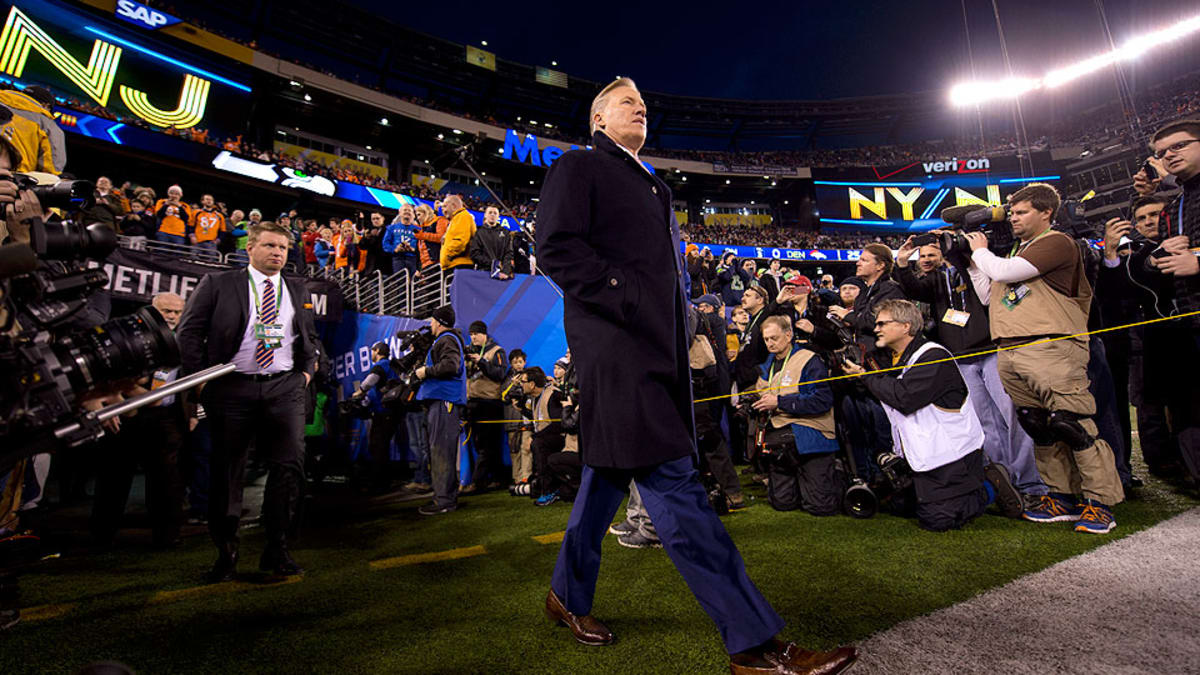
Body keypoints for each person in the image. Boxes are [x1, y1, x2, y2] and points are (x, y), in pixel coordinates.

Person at [534, 77, 855, 674]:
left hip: (654, 354)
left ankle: (565, 597)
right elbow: (554, 247)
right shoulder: (580, 167)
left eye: (645, 104)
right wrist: (626, 297)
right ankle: (752, 645)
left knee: (603, 482)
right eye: (628, 102)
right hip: (622, 355)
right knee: (677, 492)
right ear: (599, 117)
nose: (642, 109)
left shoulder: (648, 180)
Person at [965, 183, 1125, 533]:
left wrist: (980, 251)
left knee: (1074, 424)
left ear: (1046, 213)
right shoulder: (1017, 253)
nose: (1014, 219)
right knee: (1037, 425)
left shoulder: (1055, 243)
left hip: (1051, 346)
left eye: (1022, 212)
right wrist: (973, 263)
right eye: (1012, 213)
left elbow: (1004, 273)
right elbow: (990, 296)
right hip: (1011, 348)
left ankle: (1099, 502)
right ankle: (1062, 496)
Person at [175, 221, 318, 581]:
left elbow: (310, 338)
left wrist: (306, 373)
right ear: (249, 248)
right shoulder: (218, 284)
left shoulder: (298, 288)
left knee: (289, 468)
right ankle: (226, 552)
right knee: (228, 472)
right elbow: (189, 333)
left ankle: (278, 549)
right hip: (230, 388)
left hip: (284, 387)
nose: (278, 253)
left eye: (283, 248)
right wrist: (201, 384)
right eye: (270, 246)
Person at [842, 300, 1023, 530]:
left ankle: (990, 485)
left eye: (882, 324)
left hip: (952, 455)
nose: (876, 329)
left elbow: (904, 398)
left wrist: (865, 377)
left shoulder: (933, 356)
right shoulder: (898, 357)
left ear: (905, 326)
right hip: (924, 454)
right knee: (901, 507)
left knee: (937, 520)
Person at [894, 231, 1045, 501]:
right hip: (961, 358)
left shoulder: (975, 268)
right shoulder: (937, 280)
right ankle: (1005, 481)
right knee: (986, 423)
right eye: (924, 255)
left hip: (990, 351)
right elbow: (914, 289)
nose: (928, 258)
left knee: (1014, 417)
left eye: (934, 252)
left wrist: (962, 248)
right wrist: (903, 263)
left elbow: (985, 290)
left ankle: (1032, 483)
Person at [90, 293, 189, 549]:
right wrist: (130, 395)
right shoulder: (127, 335)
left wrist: (193, 413)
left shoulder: (186, 339)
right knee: (114, 478)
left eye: (177, 312)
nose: (171, 316)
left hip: (166, 419)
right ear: (151, 310)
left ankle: (166, 537)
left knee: (166, 480)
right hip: (124, 414)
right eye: (166, 311)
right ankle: (102, 536)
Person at [1143, 119, 1200, 482]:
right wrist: (1154, 258)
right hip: (1187, 323)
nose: (1168, 156)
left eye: (1178, 146)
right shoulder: (1176, 204)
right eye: (1162, 153)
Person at [749, 316, 841, 515]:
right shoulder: (769, 363)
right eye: (766, 339)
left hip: (812, 432)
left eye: (774, 338)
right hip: (781, 432)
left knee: (820, 507)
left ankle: (834, 474)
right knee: (782, 504)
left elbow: (823, 400)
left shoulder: (810, 359)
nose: (770, 343)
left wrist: (780, 402)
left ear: (788, 335)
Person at [412, 305, 467, 516]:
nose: (430, 324)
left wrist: (426, 371)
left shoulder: (446, 339)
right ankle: (444, 497)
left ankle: (444, 501)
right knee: (440, 450)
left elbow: (451, 366)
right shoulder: (447, 340)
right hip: (443, 401)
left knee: (441, 451)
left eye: (433, 320)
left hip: (445, 401)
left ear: (440, 322)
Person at [462, 320, 509, 492]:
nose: (473, 337)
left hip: (490, 403)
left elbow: (500, 374)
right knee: (479, 444)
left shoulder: (497, 351)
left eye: (476, 333)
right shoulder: (469, 352)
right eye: (471, 334)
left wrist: (481, 361)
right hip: (472, 402)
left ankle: (477, 482)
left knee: (488, 444)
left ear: (484, 334)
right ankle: (497, 479)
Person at [352, 341, 401, 493]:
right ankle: (382, 482)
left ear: (378, 350)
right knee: (380, 447)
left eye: (372, 350)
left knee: (378, 448)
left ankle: (379, 484)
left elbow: (372, 378)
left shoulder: (382, 365)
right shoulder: (390, 366)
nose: (371, 353)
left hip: (384, 413)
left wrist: (359, 391)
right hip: (388, 412)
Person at [502, 349, 533, 485]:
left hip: (527, 419)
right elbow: (504, 397)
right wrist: (513, 385)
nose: (518, 365)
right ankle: (516, 478)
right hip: (512, 419)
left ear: (525, 362)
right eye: (515, 362)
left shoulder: (530, 377)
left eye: (520, 362)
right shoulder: (508, 378)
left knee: (526, 448)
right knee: (514, 449)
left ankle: (526, 477)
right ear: (511, 364)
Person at [470, 206, 515, 279]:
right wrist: (493, 264)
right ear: (485, 215)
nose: (492, 215)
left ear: (498, 216)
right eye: (490, 212)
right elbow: (474, 253)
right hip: (483, 273)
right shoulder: (479, 233)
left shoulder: (505, 233)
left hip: (502, 274)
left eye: (495, 213)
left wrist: (505, 271)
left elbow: (509, 253)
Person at [439, 195, 476, 272]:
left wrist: (447, 255)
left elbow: (460, 240)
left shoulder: (462, 216)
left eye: (445, 206)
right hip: (454, 264)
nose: (443, 210)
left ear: (454, 206)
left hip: (459, 265)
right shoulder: (456, 219)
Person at [383, 205, 419, 276]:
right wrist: (395, 249)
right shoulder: (391, 228)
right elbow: (385, 244)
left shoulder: (419, 229)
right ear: (400, 213)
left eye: (409, 211)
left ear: (413, 215)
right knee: (400, 282)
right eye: (405, 210)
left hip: (413, 259)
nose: (407, 212)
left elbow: (422, 245)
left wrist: (413, 249)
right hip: (397, 258)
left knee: (413, 283)